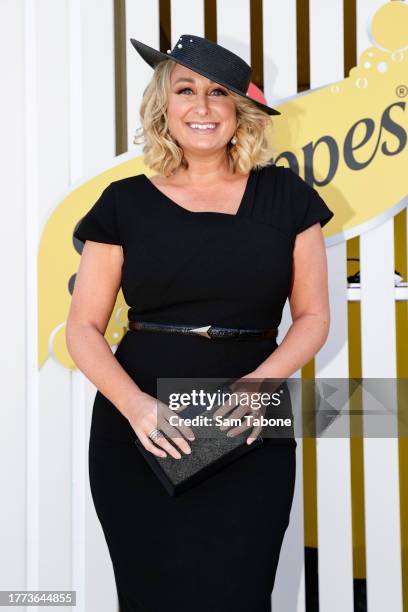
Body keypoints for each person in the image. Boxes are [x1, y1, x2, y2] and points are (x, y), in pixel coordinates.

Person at [66, 34, 334, 612]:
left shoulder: (287, 196)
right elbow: (83, 329)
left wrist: (261, 385)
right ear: (164, 105)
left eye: (219, 93)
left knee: (241, 592)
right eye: (185, 90)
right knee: (149, 596)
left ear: (240, 111)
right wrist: (136, 406)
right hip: (141, 426)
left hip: (251, 420)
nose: (203, 107)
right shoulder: (123, 202)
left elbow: (313, 318)